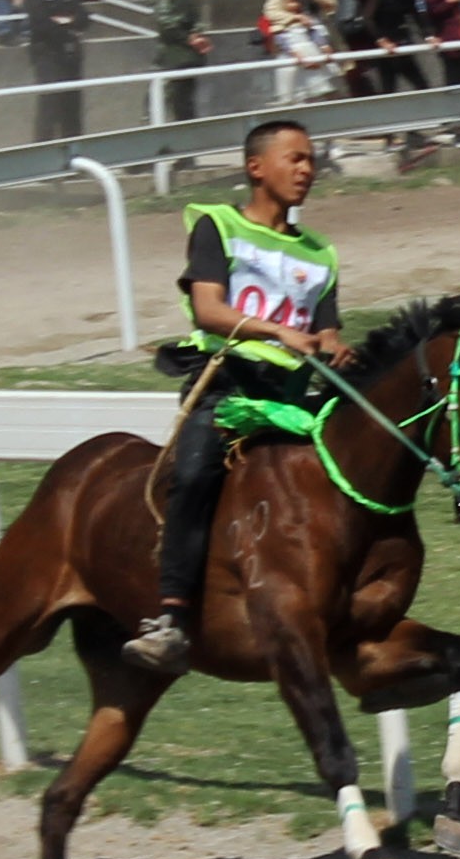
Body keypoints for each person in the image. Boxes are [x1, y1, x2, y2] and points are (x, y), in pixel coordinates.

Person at [125, 118, 352, 676]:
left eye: (310, 159)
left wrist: (333, 345)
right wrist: (277, 332)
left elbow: (325, 328)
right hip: (226, 387)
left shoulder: (321, 253)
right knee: (197, 473)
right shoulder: (217, 226)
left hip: (294, 398)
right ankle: (172, 617)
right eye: (294, 158)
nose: (306, 169)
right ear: (257, 168)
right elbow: (209, 310)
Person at [27, 0, 89, 140]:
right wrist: (68, 23)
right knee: (49, 108)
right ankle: (43, 156)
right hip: (47, 57)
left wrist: (65, 21)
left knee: (72, 109)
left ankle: (74, 155)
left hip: (70, 57)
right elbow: (41, 24)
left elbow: (84, 18)